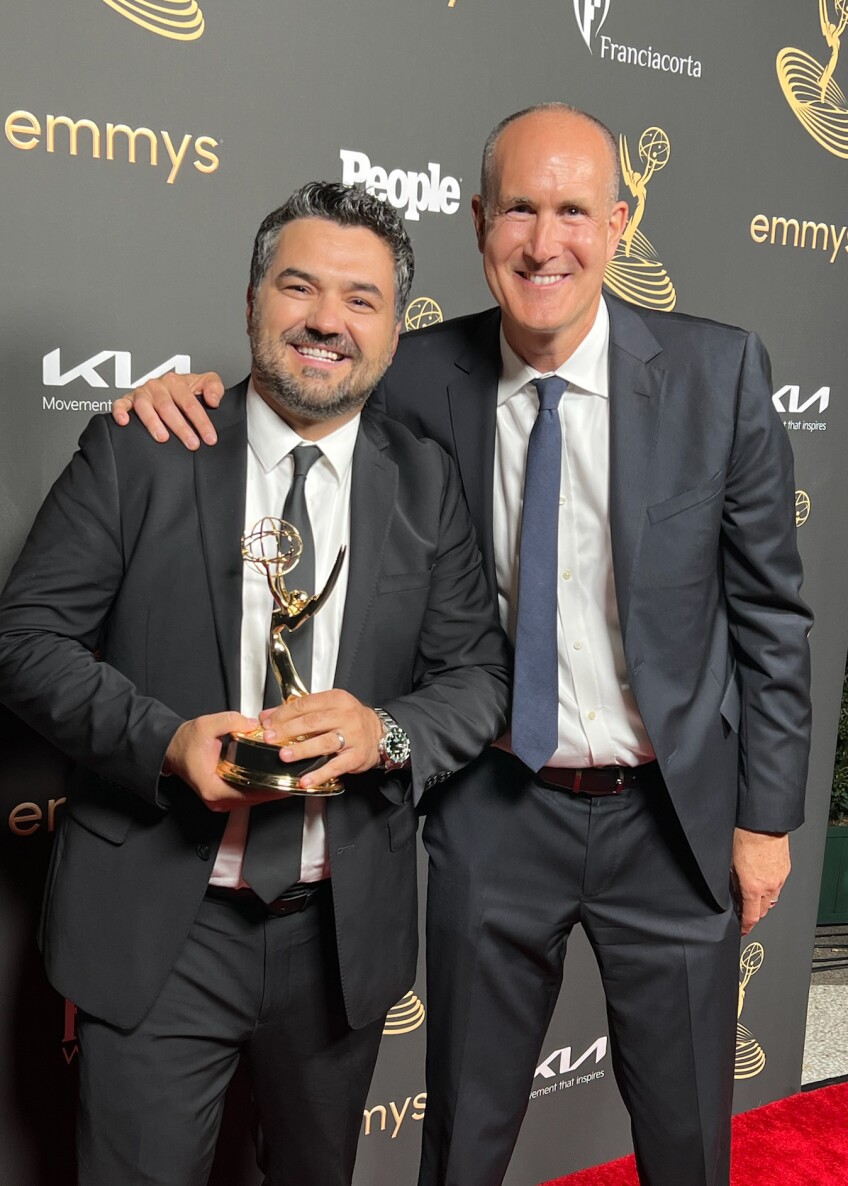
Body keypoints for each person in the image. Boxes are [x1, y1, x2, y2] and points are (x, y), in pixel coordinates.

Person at [112, 104, 813, 1186]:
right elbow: (295, 389)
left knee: (686, 1144)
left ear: (618, 223)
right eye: (520, 210)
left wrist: (764, 819)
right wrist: (182, 395)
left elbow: (771, 614)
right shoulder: (412, 372)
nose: (546, 243)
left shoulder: (714, 375)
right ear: (479, 222)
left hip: (671, 819)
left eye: (574, 210)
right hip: (492, 808)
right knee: (464, 1139)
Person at [0, 181, 510, 1186]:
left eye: (361, 299)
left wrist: (386, 731)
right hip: (161, 929)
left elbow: (478, 676)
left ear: (392, 331)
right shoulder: (140, 450)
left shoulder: (426, 483)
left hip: (336, 932)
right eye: (299, 287)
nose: (327, 319)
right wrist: (164, 742)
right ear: (249, 302)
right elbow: (25, 638)